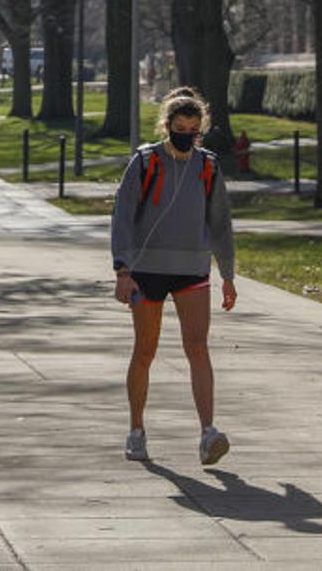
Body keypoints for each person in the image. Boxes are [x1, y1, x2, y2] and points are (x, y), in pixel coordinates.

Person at [109, 87, 236, 467]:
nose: (187, 137)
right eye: (181, 129)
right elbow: (123, 216)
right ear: (167, 126)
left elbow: (221, 223)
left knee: (198, 347)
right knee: (145, 350)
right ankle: (136, 430)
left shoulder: (208, 165)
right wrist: (122, 269)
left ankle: (208, 433)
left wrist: (227, 274)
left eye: (195, 131)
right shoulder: (146, 161)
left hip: (192, 269)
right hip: (146, 270)